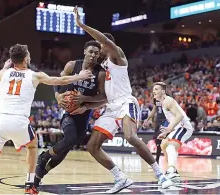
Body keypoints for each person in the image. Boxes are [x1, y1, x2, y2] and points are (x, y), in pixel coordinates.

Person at [0, 44, 93, 195]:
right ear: (25, 59)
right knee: (32, 145)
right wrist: (78, 76)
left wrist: (4, 69)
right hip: (19, 122)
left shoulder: (5, 73)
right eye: (28, 55)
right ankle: (30, 185)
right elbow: (58, 80)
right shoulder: (35, 75)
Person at [72, 7, 173, 193]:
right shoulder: (101, 68)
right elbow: (103, 98)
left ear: (108, 45)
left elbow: (104, 41)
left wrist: (81, 24)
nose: (99, 49)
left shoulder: (117, 56)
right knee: (92, 146)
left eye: (101, 45)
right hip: (111, 107)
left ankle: (161, 174)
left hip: (126, 102)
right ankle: (120, 177)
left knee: (130, 136)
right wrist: (85, 104)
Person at [34, 40, 110, 191]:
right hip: (68, 112)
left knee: (65, 149)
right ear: (84, 52)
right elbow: (57, 81)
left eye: (96, 52)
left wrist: (85, 101)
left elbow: (104, 97)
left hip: (84, 115)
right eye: (91, 52)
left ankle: (39, 176)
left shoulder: (100, 73)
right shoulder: (72, 65)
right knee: (69, 139)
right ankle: (43, 156)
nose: (93, 55)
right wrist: (56, 95)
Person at [153, 82, 194, 182]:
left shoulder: (168, 100)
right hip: (177, 127)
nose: (154, 91)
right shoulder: (163, 103)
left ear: (163, 91)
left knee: (171, 146)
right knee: (164, 144)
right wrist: (166, 132)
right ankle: (171, 170)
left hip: (184, 127)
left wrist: (169, 129)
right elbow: (172, 118)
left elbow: (179, 116)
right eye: (153, 89)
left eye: (156, 89)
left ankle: (172, 171)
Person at [143, 98, 168, 164]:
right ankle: (157, 159)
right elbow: (154, 110)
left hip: (165, 122)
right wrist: (147, 119)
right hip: (158, 122)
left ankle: (165, 160)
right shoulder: (156, 101)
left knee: (161, 140)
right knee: (157, 142)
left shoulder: (167, 99)